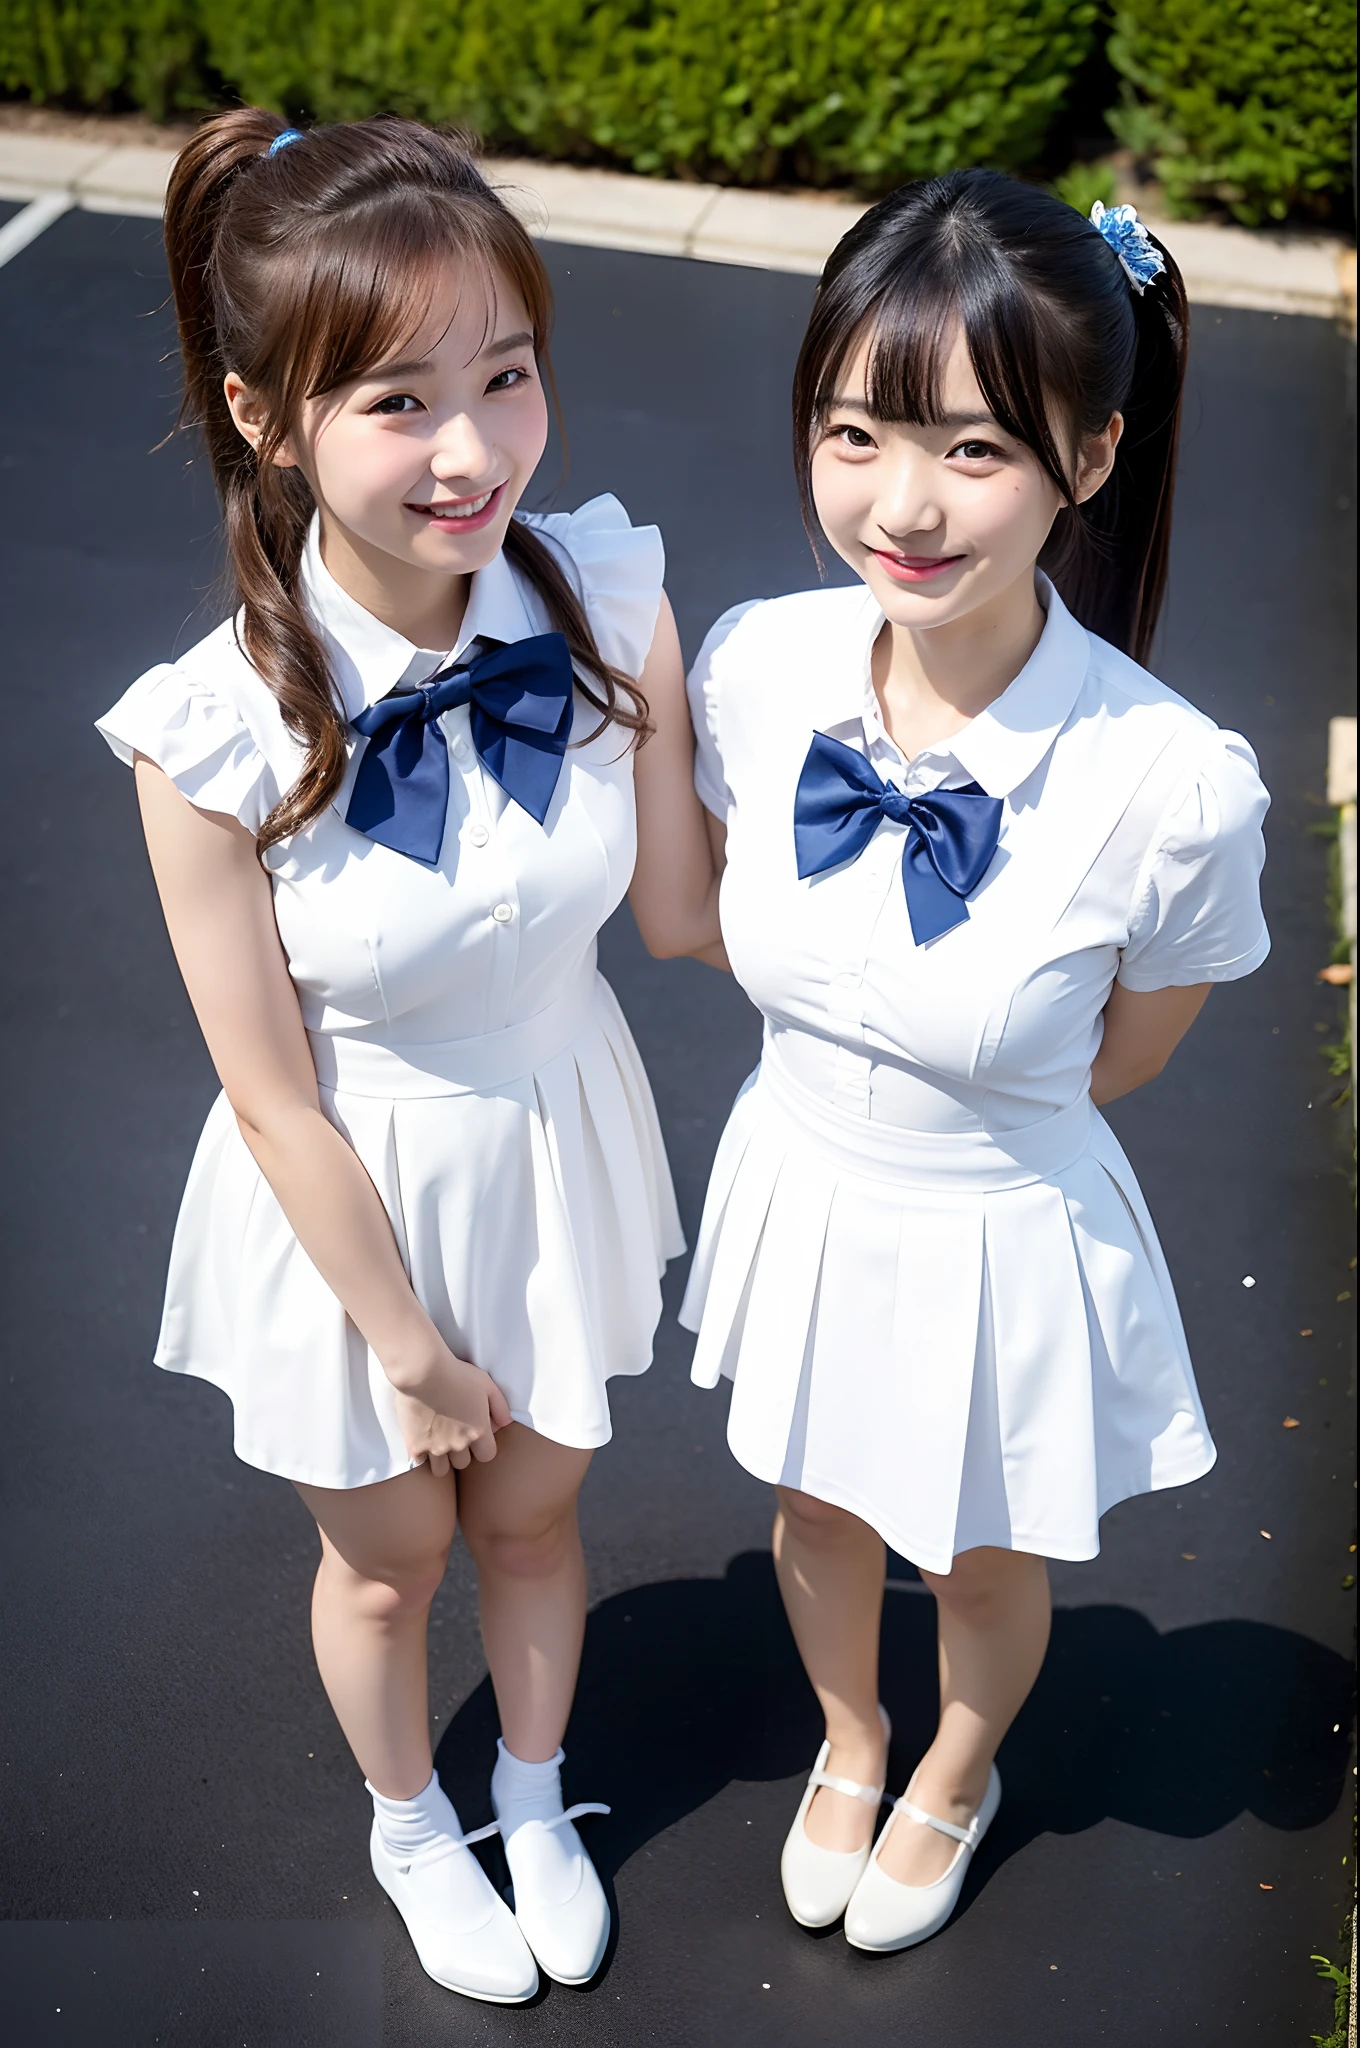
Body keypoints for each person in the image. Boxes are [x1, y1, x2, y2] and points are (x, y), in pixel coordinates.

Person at [95, 109, 712, 2004]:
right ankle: (406, 1820)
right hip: (352, 1202)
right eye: (397, 399)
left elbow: (687, 916)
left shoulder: (607, 603)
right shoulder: (208, 734)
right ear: (264, 414)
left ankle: (531, 1793)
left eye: (507, 375)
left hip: (558, 1136)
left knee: (537, 1525)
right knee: (386, 1563)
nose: (474, 450)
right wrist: (410, 1348)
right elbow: (270, 1087)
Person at [632, 171, 1270, 1955]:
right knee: (819, 1509)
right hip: (801, 1183)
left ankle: (958, 1766)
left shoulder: (1177, 784)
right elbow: (697, 920)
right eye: (854, 432)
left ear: (1091, 455)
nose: (899, 506)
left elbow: (1122, 1060)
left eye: (973, 450)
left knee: (983, 1551)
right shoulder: (759, 668)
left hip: (997, 1221)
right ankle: (852, 1740)